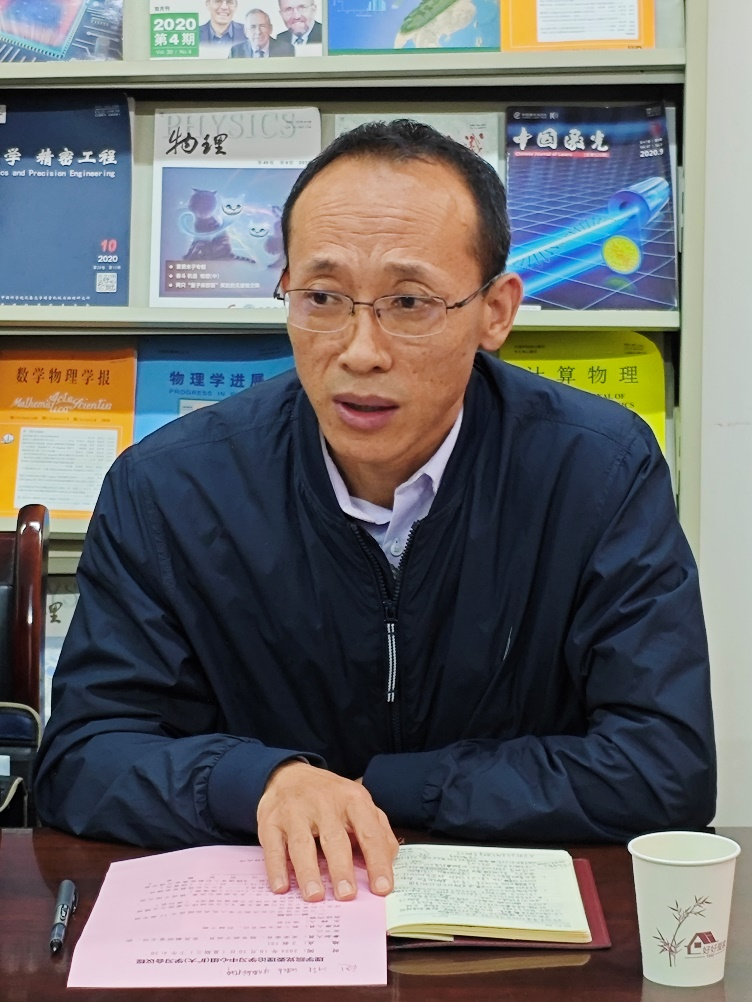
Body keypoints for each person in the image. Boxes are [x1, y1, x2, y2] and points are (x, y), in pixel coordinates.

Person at [34, 121, 716, 906]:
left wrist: (393, 787)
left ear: (495, 311)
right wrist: (263, 782)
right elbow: (83, 757)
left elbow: (665, 766)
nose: (361, 350)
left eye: (409, 302)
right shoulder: (169, 488)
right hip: (279, 914)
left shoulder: (598, 470)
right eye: (323, 298)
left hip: (508, 930)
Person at [229, 8, 295, 57]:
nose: (258, 32)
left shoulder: (286, 50)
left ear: (270, 29)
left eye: (262, 26)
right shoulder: (235, 52)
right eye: (253, 27)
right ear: (246, 32)